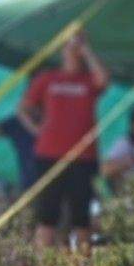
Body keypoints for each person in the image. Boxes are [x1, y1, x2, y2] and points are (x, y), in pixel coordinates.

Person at [27, 33, 109, 254]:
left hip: (83, 157)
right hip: (49, 155)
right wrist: (37, 130)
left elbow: (103, 79)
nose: (73, 49)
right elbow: (24, 107)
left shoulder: (88, 80)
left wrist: (87, 50)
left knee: (81, 215)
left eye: (78, 44)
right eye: (69, 44)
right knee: (47, 214)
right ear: (61, 49)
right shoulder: (47, 78)